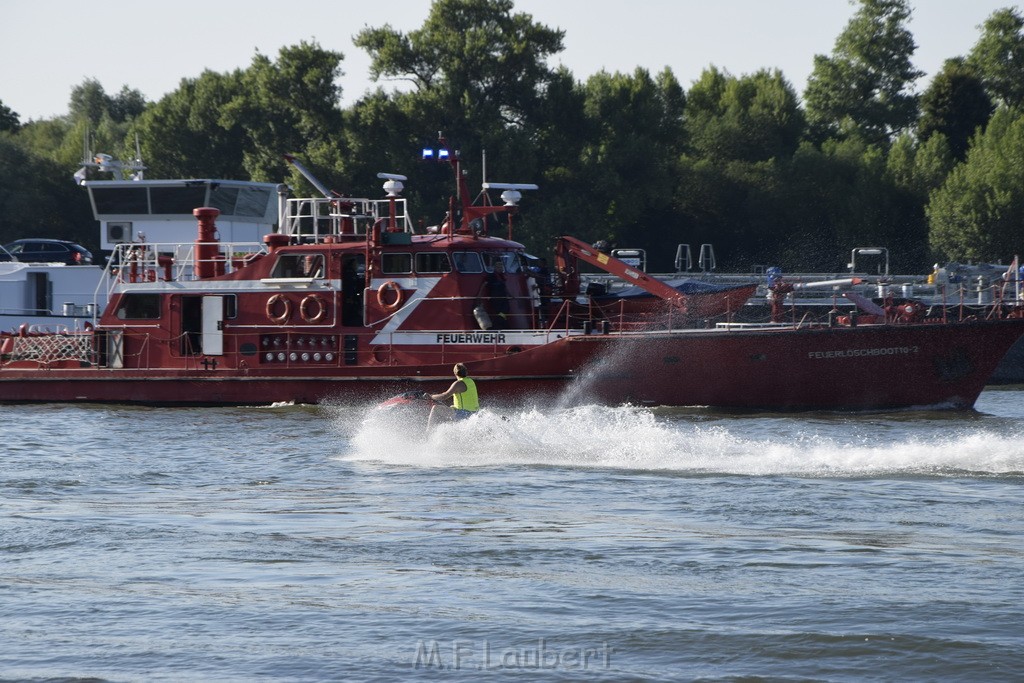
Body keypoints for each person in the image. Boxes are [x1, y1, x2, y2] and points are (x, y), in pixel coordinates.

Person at [425, 363, 479, 430]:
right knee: (449, 408)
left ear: (455, 373)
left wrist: (431, 396)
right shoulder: (470, 381)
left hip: (463, 414)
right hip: (474, 413)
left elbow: (445, 396)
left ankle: (428, 433)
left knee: (436, 409)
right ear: (466, 372)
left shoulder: (458, 383)